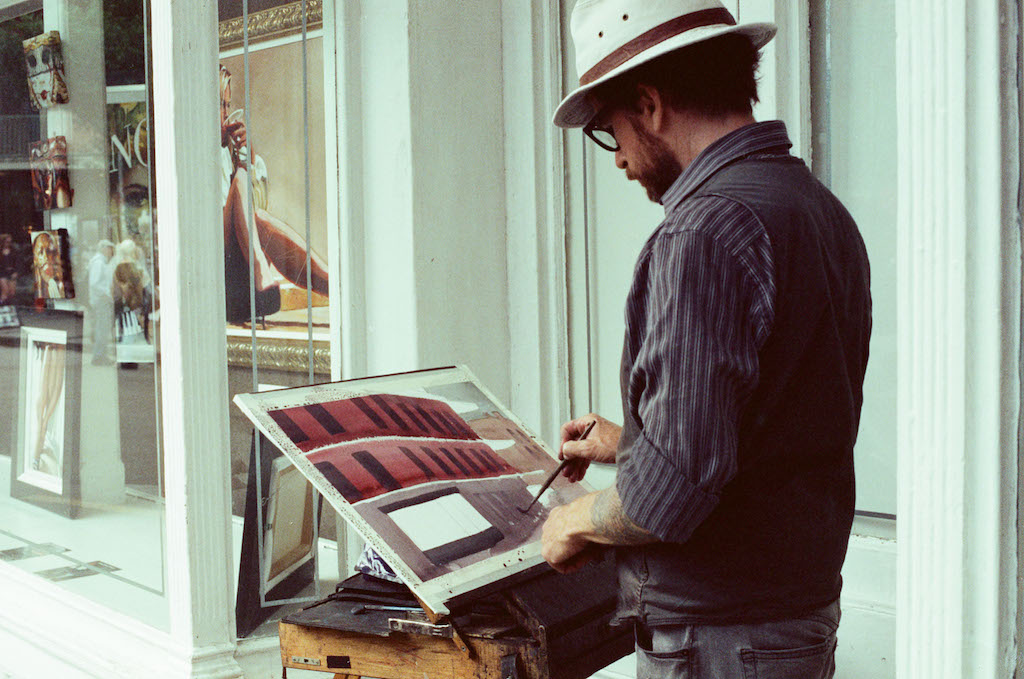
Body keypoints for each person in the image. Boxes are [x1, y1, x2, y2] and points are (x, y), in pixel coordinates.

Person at [541, 2, 872, 678]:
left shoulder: (703, 231)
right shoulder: (816, 207)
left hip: (720, 641)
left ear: (649, 104)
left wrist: (573, 520)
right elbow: (776, 429)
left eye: (610, 130)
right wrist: (628, 442)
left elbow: (671, 493)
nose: (619, 159)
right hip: (789, 624)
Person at [219, 64, 329, 323]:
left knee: (260, 217)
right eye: (220, 105)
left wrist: (247, 156)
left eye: (227, 105)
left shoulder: (226, 153)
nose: (226, 114)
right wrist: (242, 174)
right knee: (245, 184)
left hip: (240, 278)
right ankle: (260, 270)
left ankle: (335, 285)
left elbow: (257, 205)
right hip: (218, 279)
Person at [87, 239, 116, 364]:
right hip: (101, 300)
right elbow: (94, 283)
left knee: (102, 329)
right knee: (102, 330)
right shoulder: (99, 263)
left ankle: (100, 356)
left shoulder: (100, 262)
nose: (111, 251)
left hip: (100, 300)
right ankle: (99, 357)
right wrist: (108, 293)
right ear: (104, 249)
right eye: (110, 249)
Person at [0, 234, 18, 304]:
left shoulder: (13, 251)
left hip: (12, 272)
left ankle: (9, 305)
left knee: (12, 292)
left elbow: (17, 262)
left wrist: (16, 272)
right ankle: (1, 304)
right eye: (7, 242)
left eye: (10, 242)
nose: (8, 244)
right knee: (5, 291)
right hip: (2, 272)